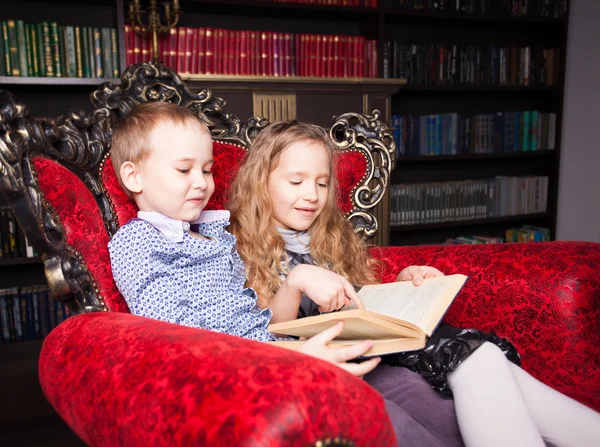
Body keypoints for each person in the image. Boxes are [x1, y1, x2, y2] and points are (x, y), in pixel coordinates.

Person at [107, 101, 463, 446]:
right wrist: (296, 357)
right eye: (184, 170)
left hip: (279, 350)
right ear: (133, 176)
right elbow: (176, 339)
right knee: (378, 413)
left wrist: (295, 288)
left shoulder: (216, 234)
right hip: (240, 373)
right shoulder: (137, 242)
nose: (201, 183)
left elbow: (264, 321)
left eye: (207, 169)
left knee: (414, 390)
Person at [228, 120, 600, 447]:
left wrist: (405, 283)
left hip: (380, 345)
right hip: (331, 361)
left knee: (487, 361)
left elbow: (360, 294)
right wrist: (294, 283)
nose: (312, 195)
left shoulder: (327, 235)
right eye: (296, 181)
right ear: (261, 182)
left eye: (322, 183)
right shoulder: (232, 246)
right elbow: (263, 335)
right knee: (480, 361)